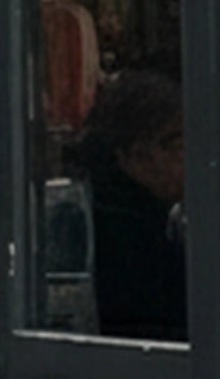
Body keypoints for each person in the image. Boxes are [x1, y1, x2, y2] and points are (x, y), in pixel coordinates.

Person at [74, 68, 187, 341]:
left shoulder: (152, 218)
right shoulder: (134, 240)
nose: (191, 157)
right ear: (136, 157)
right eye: (178, 144)